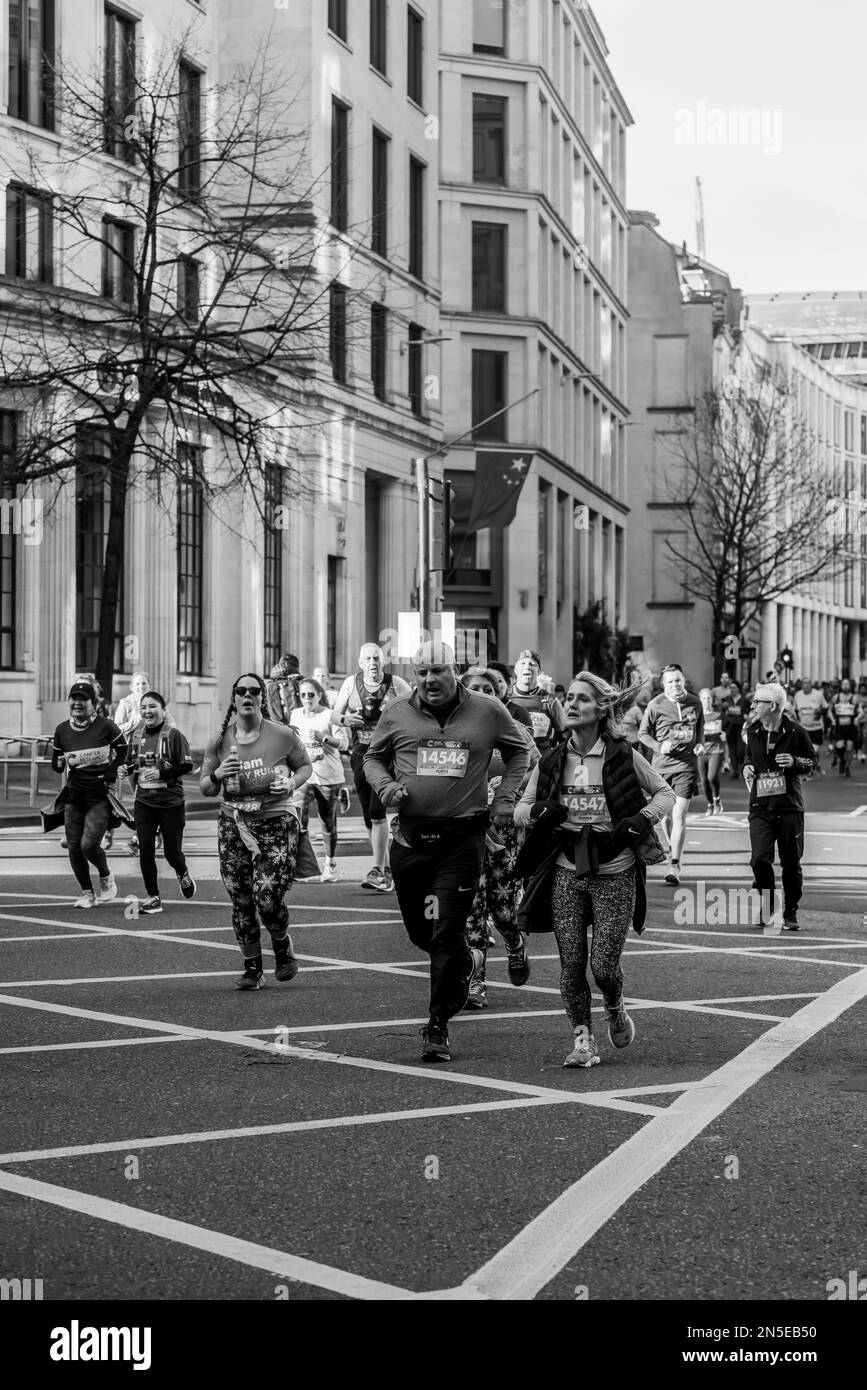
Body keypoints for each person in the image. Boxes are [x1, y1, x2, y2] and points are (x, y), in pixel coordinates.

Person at [363, 642, 530, 1063]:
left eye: (436, 670)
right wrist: (386, 788)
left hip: (461, 840)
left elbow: (520, 753)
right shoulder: (397, 711)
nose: (428, 680)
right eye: (421, 672)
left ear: (453, 669)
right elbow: (372, 759)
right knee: (423, 934)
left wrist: (505, 801)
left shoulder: (488, 710)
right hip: (410, 841)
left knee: (446, 932)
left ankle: (437, 1026)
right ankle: (465, 963)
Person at [513, 674, 675, 1068]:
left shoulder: (622, 754)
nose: (571, 704)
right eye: (568, 698)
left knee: (602, 966)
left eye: (582, 700)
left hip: (615, 870)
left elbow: (665, 794)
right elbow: (519, 809)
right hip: (567, 869)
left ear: (600, 710)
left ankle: (615, 1003)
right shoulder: (552, 759)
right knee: (571, 963)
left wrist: (641, 818)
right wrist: (535, 813)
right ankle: (583, 1041)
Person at [200, 672, 312, 989]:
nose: (247, 695)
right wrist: (220, 773)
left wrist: (290, 781)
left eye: (254, 690)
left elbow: (305, 766)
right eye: (241, 691)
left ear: (262, 697)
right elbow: (206, 788)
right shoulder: (219, 741)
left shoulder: (283, 735)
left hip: (276, 819)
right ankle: (252, 968)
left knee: (267, 897)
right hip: (234, 821)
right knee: (240, 897)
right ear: (234, 699)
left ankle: (281, 942)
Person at [460, 666, 539, 1009]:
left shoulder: (516, 729)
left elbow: (536, 768)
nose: (481, 692)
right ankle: (476, 982)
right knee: (471, 905)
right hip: (466, 825)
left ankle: (515, 943)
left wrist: (516, 789)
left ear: (498, 694)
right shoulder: (454, 731)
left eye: (487, 688)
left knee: (503, 909)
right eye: (473, 687)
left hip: (505, 826)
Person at [333, 643, 412, 891]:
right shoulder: (350, 683)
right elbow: (335, 714)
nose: (372, 662)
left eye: (376, 657)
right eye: (367, 658)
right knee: (369, 814)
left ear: (383, 660)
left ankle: (378, 870)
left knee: (378, 812)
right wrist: (346, 720)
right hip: (360, 754)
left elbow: (415, 709)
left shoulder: (397, 684)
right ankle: (386, 870)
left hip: (387, 756)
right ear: (360, 662)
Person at [743, 682, 817, 931]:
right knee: (759, 860)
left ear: (772, 705)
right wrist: (747, 766)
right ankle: (768, 903)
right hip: (760, 805)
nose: (753, 706)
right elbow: (748, 757)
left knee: (791, 863)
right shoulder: (752, 730)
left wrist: (795, 761)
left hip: (789, 808)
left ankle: (790, 910)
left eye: (757, 702)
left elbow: (810, 762)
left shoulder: (796, 732)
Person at [50, 681, 126, 908]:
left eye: (83, 699)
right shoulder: (62, 730)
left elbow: (123, 749)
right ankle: (87, 894)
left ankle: (105, 875)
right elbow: (56, 764)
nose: (77, 703)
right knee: (74, 846)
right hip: (74, 794)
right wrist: (59, 762)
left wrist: (111, 772)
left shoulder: (106, 726)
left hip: (99, 795)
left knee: (88, 845)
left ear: (93, 703)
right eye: (74, 698)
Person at [121, 692, 196, 913]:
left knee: (172, 853)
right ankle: (153, 897)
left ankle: (182, 873)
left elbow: (187, 766)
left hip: (171, 803)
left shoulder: (174, 736)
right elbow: (129, 764)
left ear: (163, 709)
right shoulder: (135, 736)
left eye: (152, 707)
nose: (147, 711)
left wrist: (162, 773)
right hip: (144, 802)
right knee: (145, 849)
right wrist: (124, 769)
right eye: (143, 707)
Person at [638, 664, 705, 886]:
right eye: (670, 682)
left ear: (683, 680)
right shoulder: (655, 705)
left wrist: (700, 744)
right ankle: (670, 848)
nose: (675, 685)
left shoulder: (695, 702)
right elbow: (643, 734)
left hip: (686, 766)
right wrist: (659, 746)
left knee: (679, 815)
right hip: (661, 767)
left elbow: (700, 728)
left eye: (678, 680)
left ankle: (674, 863)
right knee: (666, 817)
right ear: (663, 685)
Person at [290, 677, 348, 883]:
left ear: (319, 695)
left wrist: (323, 738)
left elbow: (343, 744)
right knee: (298, 821)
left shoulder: (329, 715)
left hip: (329, 777)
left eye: (311, 694)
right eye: (303, 695)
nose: (307, 698)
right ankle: (301, 867)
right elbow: (292, 743)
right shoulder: (295, 714)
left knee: (327, 823)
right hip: (304, 776)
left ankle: (329, 865)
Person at [508, 649, 568, 752]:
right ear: (516, 670)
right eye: (522, 663)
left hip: (542, 763)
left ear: (539, 671)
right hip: (513, 762)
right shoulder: (506, 698)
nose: (527, 667)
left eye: (532, 664)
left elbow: (565, 736)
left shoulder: (550, 700)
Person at [698, 687, 726, 814]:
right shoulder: (697, 716)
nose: (706, 700)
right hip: (701, 752)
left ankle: (717, 799)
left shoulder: (719, 715)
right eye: (703, 698)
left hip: (716, 750)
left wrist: (725, 735)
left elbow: (728, 728)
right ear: (700, 700)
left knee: (712, 776)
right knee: (703, 780)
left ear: (712, 700)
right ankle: (710, 804)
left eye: (708, 698)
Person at [793, 678, 828, 777]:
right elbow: (795, 709)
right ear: (802, 685)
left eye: (809, 683)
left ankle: (813, 768)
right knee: (809, 751)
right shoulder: (798, 695)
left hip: (816, 728)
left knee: (813, 751)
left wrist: (820, 714)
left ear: (811, 684)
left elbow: (825, 707)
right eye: (805, 683)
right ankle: (814, 769)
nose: (807, 685)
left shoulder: (818, 695)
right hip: (803, 728)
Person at [828, 679, 859, 776]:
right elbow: (829, 711)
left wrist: (857, 718)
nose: (845, 686)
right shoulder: (836, 697)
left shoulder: (854, 698)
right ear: (841, 686)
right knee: (839, 746)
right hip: (839, 726)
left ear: (850, 686)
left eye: (847, 684)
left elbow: (860, 711)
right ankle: (842, 760)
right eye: (844, 684)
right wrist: (832, 719)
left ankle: (847, 767)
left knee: (849, 748)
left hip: (850, 726)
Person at [266, 654, 302, 725]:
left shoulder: (271, 683)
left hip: (276, 720)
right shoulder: (300, 681)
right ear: (297, 668)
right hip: (295, 720)